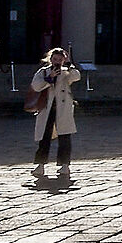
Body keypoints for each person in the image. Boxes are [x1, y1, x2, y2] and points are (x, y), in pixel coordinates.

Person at [29, 46, 82, 181]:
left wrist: (69, 64)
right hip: (46, 109)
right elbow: (36, 86)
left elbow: (77, 77)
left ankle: (64, 165)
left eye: (60, 59)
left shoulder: (66, 72)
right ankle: (40, 165)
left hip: (63, 109)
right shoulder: (43, 71)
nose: (57, 61)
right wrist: (49, 78)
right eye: (55, 59)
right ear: (50, 59)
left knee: (65, 137)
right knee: (44, 137)